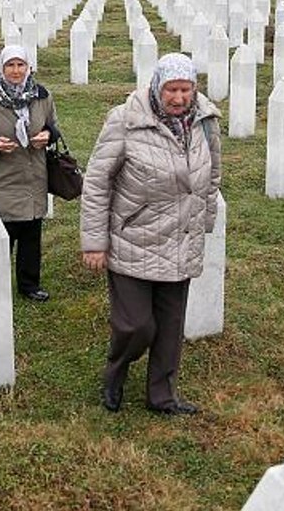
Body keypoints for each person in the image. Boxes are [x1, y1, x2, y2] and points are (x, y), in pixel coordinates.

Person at [80, 53, 221, 415]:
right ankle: (116, 371)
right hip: (134, 239)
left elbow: (212, 175)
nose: (178, 98)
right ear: (157, 87)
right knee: (136, 326)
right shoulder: (125, 121)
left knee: (171, 327)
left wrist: (202, 225)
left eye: (185, 89)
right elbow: (97, 182)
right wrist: (95, 242)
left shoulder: (206, 122)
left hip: (181, 239)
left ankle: (162, 396)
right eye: (172, 89)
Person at [0, 45, 59, 302]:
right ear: (2, 68)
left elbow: (53, 126)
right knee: (2, 234)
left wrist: (48, 135)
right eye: (10, 65)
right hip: (3, 179)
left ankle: (29, 285)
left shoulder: (42, 96)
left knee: (31, 234)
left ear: (28, 67)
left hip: (34, 177)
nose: (16, 71)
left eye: (21, 65)